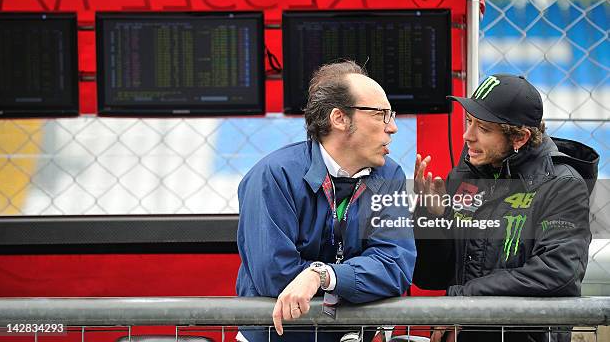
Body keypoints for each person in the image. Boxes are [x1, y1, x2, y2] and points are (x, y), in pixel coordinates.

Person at [236, 61, 416, 341]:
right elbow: (275, 278)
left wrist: (323, 276)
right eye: (381, 114)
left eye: (391, 114)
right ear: (339, 118)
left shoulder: (389, 173)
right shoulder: (273, 175)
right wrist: (354, 280)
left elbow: (395, 267)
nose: (392, 127)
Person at [412, 74, 599, 342]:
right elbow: (431, 276)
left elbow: (558, 272)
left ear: (520, 138)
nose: (468, 136)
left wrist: (466, 298)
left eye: (483, 129)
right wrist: (433, 217)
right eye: (469, 122)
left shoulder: (563, 185)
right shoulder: (465, 175)